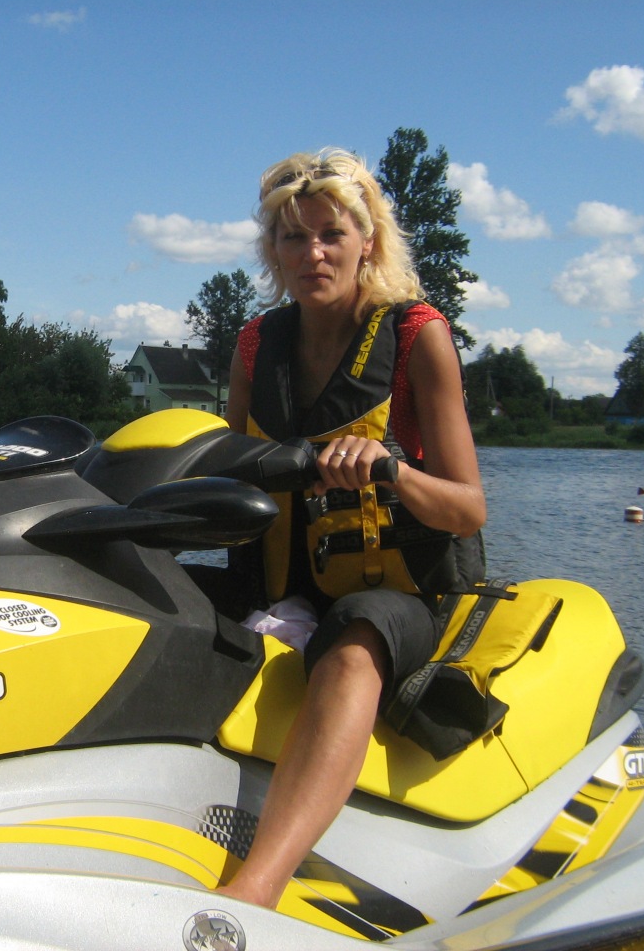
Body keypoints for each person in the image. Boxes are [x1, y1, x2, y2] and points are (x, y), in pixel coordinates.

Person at [217, 148, 486, 909]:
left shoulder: (417, 336)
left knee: (355, 635)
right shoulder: (254, 345)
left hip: (397, 596)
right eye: (294, 238)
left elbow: (469, 507)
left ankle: (256, 889)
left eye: (331, 234)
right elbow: (228, 470)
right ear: (273, 251)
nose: (314, 254)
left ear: (367, 241)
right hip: (282, 582)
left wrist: (391, 468)